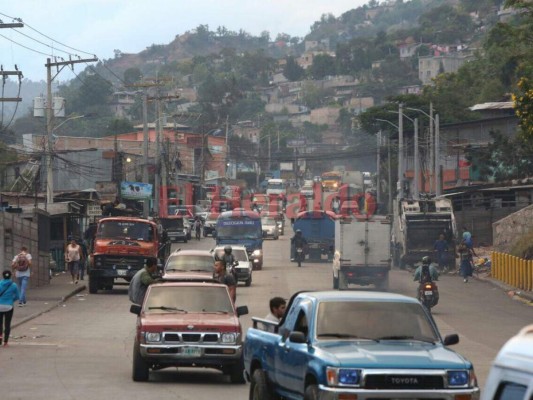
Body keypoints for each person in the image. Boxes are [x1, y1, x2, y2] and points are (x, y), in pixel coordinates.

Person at [0, 270, 20, 347]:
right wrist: (11, 300)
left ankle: (0, 339)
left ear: (3, 275)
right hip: (9, 306)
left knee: (0, 324)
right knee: (7, 324)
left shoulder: (0, 284)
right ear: (10, 276)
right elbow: (17, 296)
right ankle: (5, 342)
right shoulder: (14, 285)